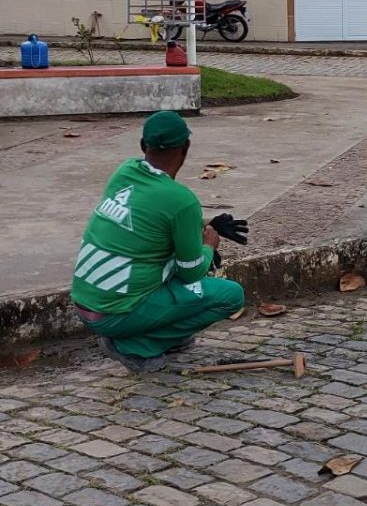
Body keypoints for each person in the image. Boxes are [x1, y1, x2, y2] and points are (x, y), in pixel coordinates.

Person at [71, 111, 246, 374]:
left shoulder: (125, 171)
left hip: (84, 302)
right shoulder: (180, 199)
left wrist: (206, 225)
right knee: (231, 295)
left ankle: (165, 335)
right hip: (114, 313)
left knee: (165, 266)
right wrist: (209, 247)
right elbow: (191, 271)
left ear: (143, 146)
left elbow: (152, 222)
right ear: (185, 149)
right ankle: (137, 345)